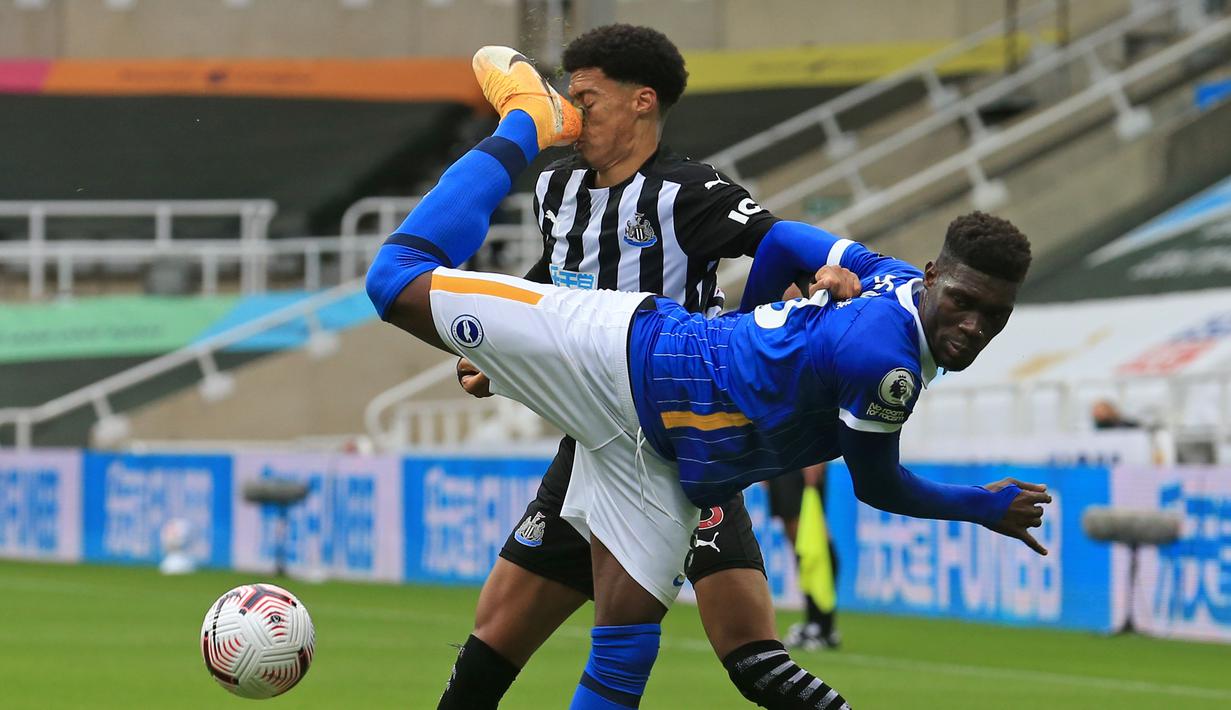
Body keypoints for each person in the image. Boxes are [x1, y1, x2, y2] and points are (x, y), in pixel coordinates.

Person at [366, 46, 1051, 709]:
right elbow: (877, 484)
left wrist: (750, 332)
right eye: (962, 303)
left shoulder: (886, 276)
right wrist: (982, 506)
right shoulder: (886, 366)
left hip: (667, 458)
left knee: (625, 647)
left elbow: (780, 239)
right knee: (393, 280)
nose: (973, 326)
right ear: (934, 279)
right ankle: (522, 119)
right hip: (623, 355)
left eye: (993, 314)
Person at [438, 25, 847, 710]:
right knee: (490, 644)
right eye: (567, 99)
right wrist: (490, 356)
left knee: (755, 663)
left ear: (640, 102)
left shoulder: (689, 191)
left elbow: (775, 239)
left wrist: (835, 267)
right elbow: (548, 286)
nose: (571, 117)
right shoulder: (557, 188)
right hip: (592, 447)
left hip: (684, 451)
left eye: (587, 100)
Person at [769, 463, 842, 651]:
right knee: (799, 543)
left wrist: (815, 460)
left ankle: (823, 624)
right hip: (780, 456)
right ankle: (814, 621)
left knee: (813, 539)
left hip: (801, 458)